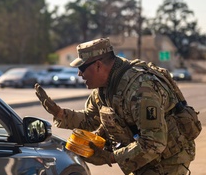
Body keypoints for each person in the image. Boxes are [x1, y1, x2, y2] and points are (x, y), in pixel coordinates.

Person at [34, 37, 195, 175]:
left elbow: (154, 143)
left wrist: (109, 157)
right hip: (146, 160)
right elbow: (91, 118)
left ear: (98, 65)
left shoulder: (140, 90)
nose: (79, 74)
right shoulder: (104, 89)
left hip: (169, 162)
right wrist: (61, 114)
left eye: (82, 68)